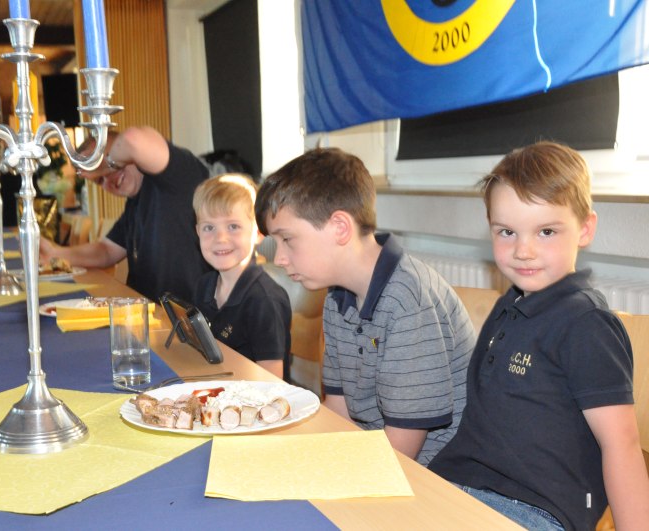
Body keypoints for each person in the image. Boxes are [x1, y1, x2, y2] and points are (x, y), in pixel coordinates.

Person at [428, 141, 649, 530]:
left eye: (546, 231)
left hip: (533, 510)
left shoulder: (586, 324)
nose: (523, 250)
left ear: (585, 229)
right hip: (456, 486)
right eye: (507, 232)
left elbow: (622, 447)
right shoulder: (509, 304)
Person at [254, 147, 475, 465]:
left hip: (433, 474)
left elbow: (401, 452)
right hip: (373, 454)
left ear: (340, 228)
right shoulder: (337, 296)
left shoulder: (407, 302)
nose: (279, 258)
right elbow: (339, 410)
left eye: (287, 239)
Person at [39, 126, 211, 302]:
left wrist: (109, 164)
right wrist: (54, 254)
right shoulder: (133, 204)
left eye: (106, 166)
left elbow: (133, 139)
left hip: (183, 315)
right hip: (142, 311)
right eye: (99, 180)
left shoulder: (176, 176)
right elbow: (106, 251)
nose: (107, 179)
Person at [191, 174, 292, 381]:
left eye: (233, 226)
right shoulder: (204, 286)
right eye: (209, 227)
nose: (220, 238)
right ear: (197, 232)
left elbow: (271, 384)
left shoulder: (265, 301)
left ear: (258, 232)